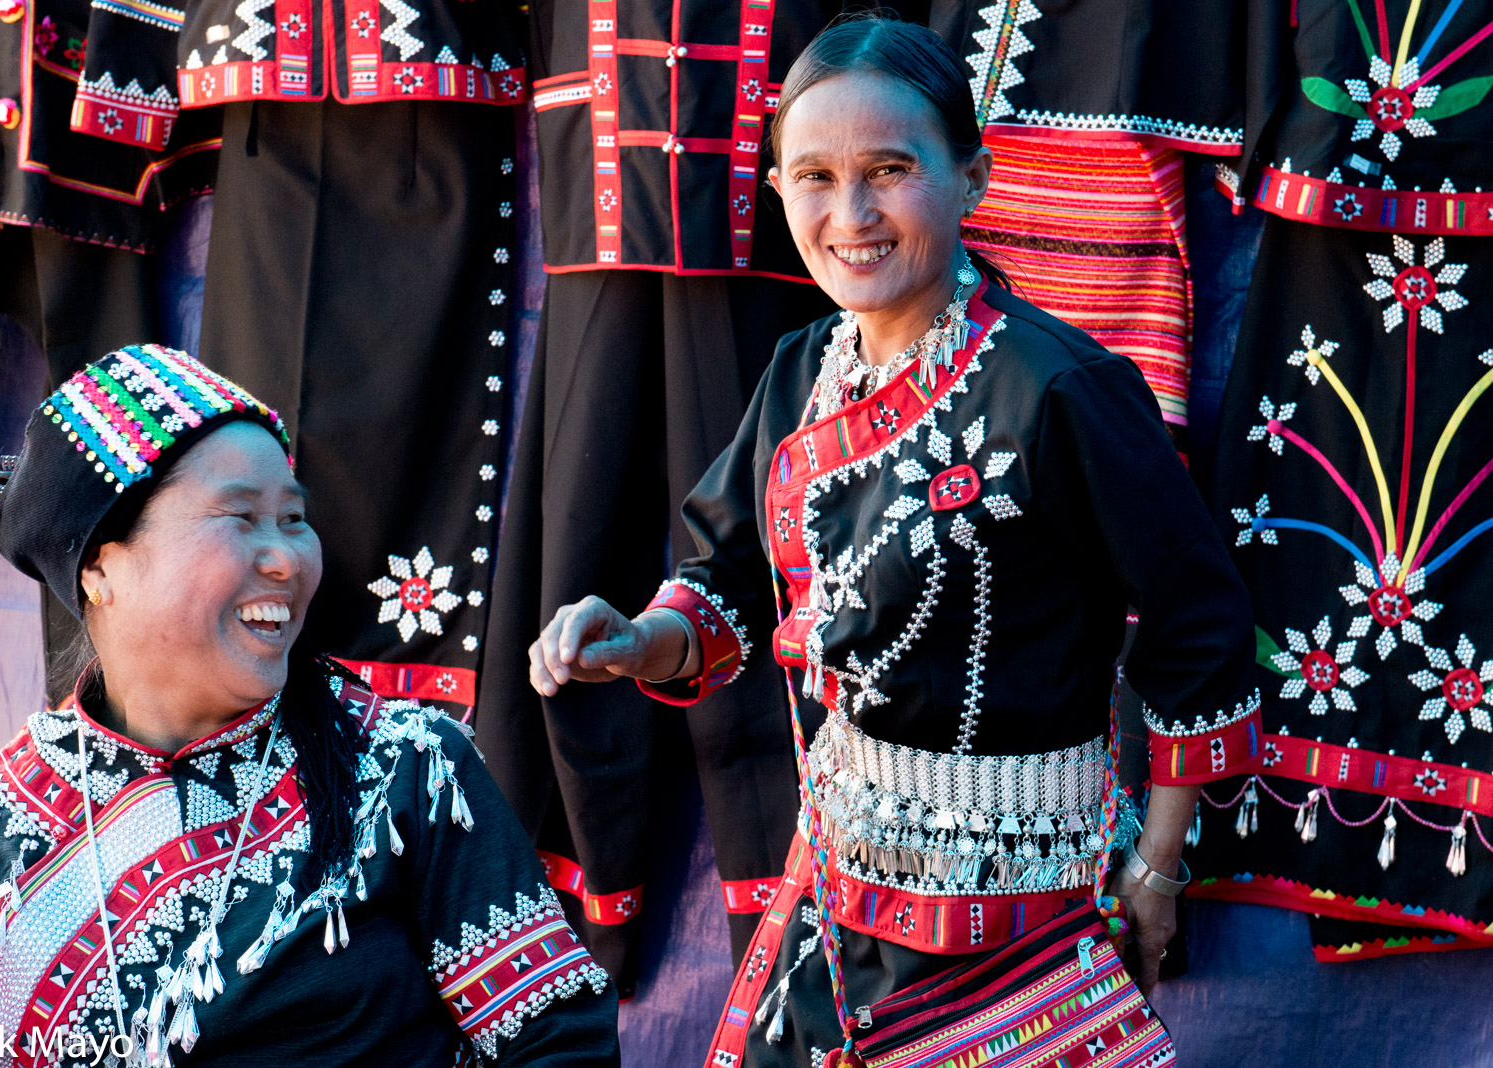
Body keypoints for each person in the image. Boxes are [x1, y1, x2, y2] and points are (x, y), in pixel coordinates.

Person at [529, 17, 1261, 1068]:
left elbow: (1198, 631)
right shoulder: (796, 373)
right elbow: (726, 580)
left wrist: (1154, 872)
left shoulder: (1060, 388)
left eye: (889, 170)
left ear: (971, 179)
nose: (849, 214)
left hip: (1021, 923)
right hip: (830, 898)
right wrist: (637, 641)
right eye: (813, 177)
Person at [0, 345, 619, 1067]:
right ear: (100, 568)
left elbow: (556, 1045)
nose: (287, 558)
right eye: (241, 518)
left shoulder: (405, 770)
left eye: (294, 518)